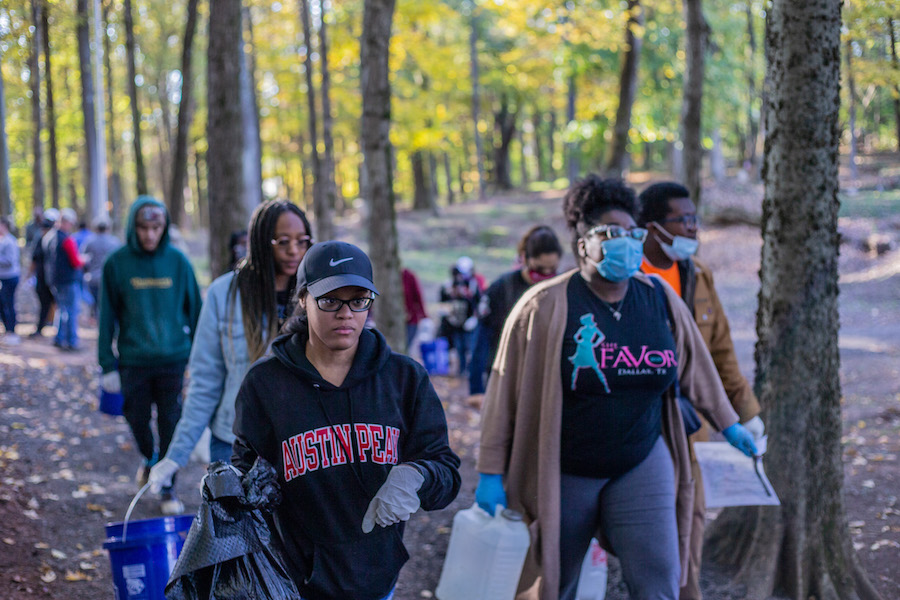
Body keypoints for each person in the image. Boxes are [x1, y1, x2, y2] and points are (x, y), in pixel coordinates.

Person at [475, 175, 759, 600]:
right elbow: (504, 393)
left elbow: (696, 366)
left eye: (632, 232)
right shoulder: (544, 306)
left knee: (660, 580)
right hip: (566, 468)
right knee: (554, 583)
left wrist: (730, 423)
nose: (624, 242)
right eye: (611, 233)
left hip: (641, 458)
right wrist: (489, 470)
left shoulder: (659, 297)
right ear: (582, 243)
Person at [231, 240, 460, 600]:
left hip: (377, 578)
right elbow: (244, 474)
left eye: (358, 301)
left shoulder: (404, 378)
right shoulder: (266, 383)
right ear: (303, 299)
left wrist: (419, 476)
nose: (345, 314)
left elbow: (446, 471)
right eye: (330, 301)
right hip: (295, 582)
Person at [637, 181, 764, 600]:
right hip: (637, 421)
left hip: (690, 421)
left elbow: (720, 351)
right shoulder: (626, 276)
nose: (693, 228)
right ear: (653, 227)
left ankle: (686, 591)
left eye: (695, 219)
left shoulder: (698, 275)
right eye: (684, 220)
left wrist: (746, 412)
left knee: (691, 514)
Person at [148, 201, 313, 495]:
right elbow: (205, 381)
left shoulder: (317, 296)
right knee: (234, 524)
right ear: (261, 241)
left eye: (302, 241)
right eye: (283, 241)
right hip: (235, 443)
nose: (293, 251)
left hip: (301, 443)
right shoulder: (224, 294)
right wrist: (176, 455)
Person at [98, 196, 202, 515]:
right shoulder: (116, 264)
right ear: (134, 227)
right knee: (136, 417)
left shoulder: (178, 262)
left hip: (173, 359)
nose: (150, 235)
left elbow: (197, 312)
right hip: (134, 361)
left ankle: (168, 486)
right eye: (143, 228)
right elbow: (106, 318)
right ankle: (149, 457)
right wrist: (106, 364)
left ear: (164, 228)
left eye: (156, 228)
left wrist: (201, 358)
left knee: (171, 421)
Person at [468, 225, 563, 394]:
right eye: (540, 269)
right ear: (525, 258)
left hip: (546, 377)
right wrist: (476, 389)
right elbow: (481, 337)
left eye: (552, 270)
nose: (546, 274)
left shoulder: (561, 288)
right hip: (506, 375)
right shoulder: (502, 288)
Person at [49, 208, 85, 351]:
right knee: (70, 311)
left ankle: (59, 338)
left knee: (62, 310)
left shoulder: (52, 237)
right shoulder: (67, 239)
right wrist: (83, 260)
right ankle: (71, 341)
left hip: (56, 280)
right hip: (68, 281)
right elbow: (75, 261)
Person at [439, 256, 481, 376]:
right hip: (454, 323)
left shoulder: (472, 285)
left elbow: (478, 302)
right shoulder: (448, 286)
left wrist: (475, 317)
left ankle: (469, 370)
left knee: (469, 347)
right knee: (459, 347)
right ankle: (461, 369)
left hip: (469, 322)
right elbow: (443, 302)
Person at [82, 216, 122, 318]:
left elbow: (83, 260)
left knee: (97, 307)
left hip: (93, 279)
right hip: (110, 279)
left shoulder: (89, 241)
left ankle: (98, 322)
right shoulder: (114, 242)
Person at [28, 208, 58, 338]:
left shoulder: (54, 238)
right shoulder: (41, 239)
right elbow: (34, 259)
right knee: (46, 302)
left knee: (53, 303)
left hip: (51, 277)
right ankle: (43, 326)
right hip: (43, 277)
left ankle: (51, 326)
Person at [0, 216, 21, 345]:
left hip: (10, 278)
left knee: (9, 303)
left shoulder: (10, 241)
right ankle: (8, 329)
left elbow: (10, 261)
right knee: (2, 304)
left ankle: (12, 331)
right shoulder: (2, 240)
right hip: (3, 277)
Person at [402, 266, 428, 352]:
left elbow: (418, 296)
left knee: (406, 345)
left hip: (411, 319)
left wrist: (423, 314)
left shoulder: (409, 276)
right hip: (393, 320)